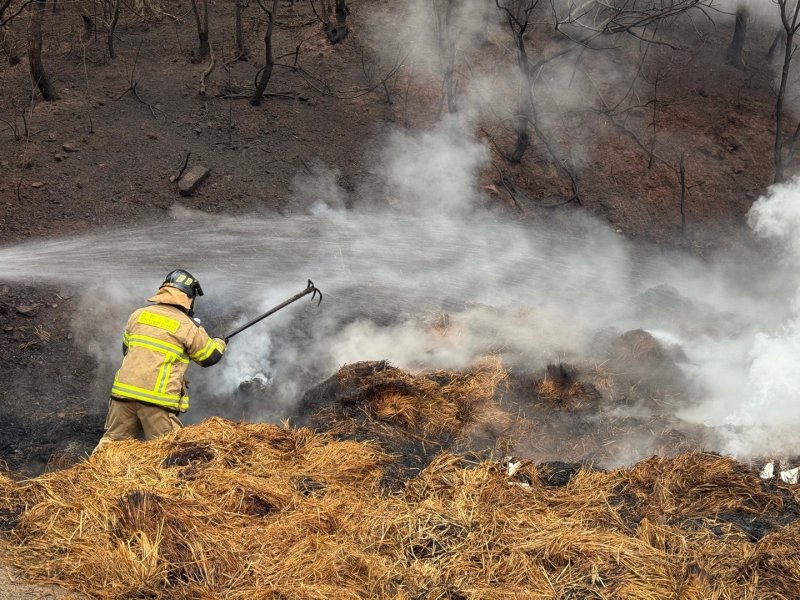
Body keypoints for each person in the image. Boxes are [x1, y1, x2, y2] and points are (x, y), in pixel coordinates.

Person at [94, 269, 227, 452]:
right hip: (156, 401)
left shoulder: (138, 315)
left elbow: (127, 349)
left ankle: (93, 478)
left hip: (122, 396)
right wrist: (220, 342)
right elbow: (209, 357)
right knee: (170, 452)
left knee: (111, 447)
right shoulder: (188, 326)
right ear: (188, 298)